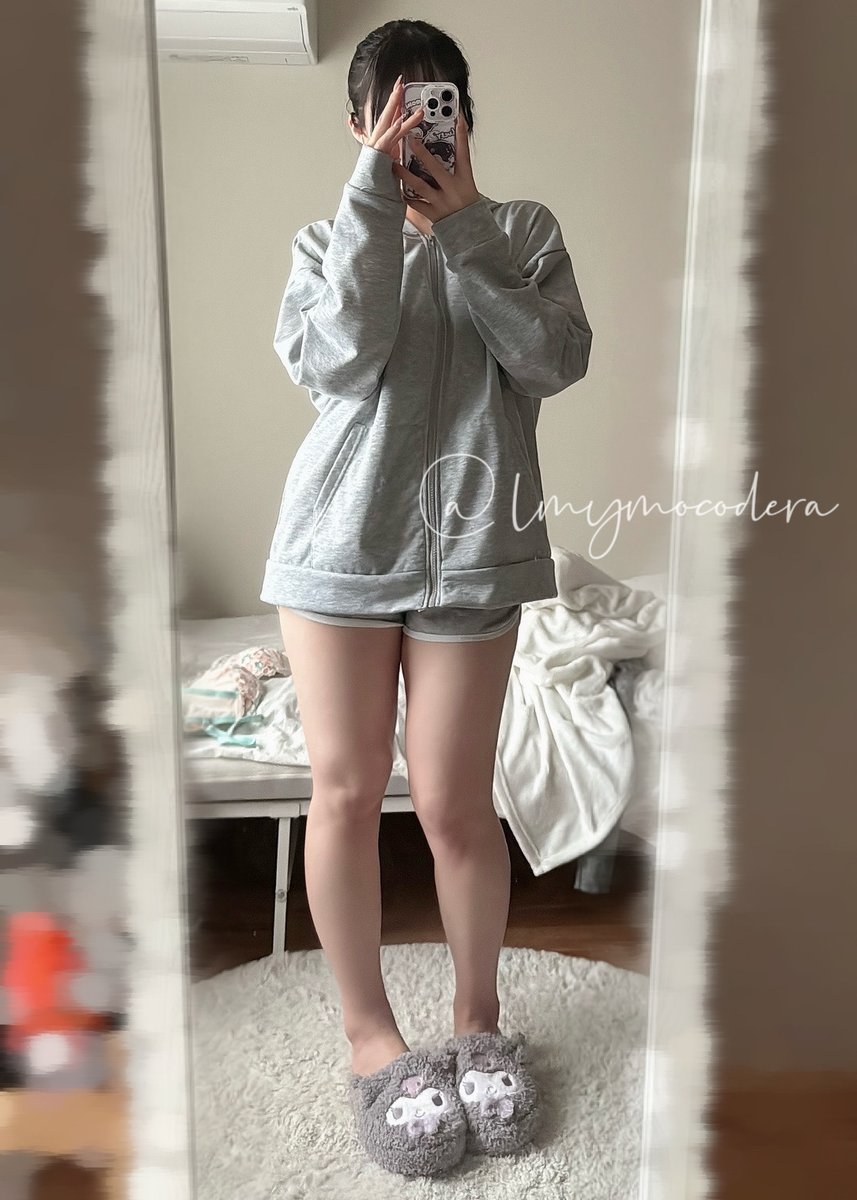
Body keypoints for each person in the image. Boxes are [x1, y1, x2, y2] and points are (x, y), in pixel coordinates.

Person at [259, 19, 592, 1178]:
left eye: (434, 105)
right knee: (345, 792)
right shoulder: (323, 241)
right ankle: (370, 1041)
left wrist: (464, 235)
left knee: (454, 803)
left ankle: (475, 1020)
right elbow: (338, 362)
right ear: (362, 124)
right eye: (394, 112)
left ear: (462, 115)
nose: (417, 127)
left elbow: (550, 361)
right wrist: (372, 210)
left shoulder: (521, 232)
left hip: (475, 552)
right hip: (338, 550)